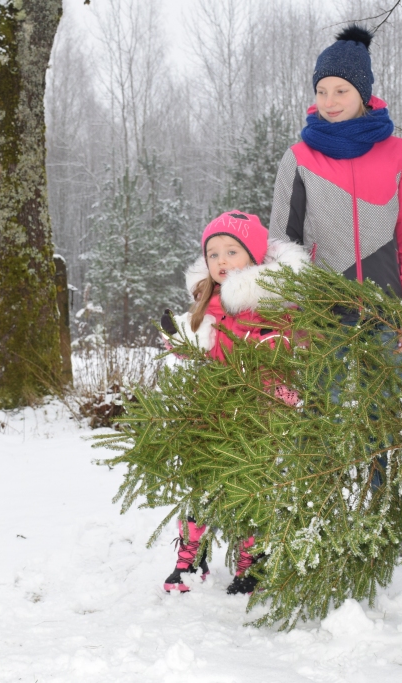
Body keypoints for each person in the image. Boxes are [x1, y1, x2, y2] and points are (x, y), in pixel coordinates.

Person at [160, 210, 309, 594]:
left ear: (254, 257)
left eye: (231, 251)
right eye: (213, 254)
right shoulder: (207, 302)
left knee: (251, 484)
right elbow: (201, 346)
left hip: (260, 410)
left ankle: (250, 562)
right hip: (212, 408)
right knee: (201, 482)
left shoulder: (272, 300)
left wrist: (280, 387)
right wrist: (179, 339)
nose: (222, 261)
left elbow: (289, 348)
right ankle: (190, 558)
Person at [268, 24, 402, 331]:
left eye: (341, 91)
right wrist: (289, 317)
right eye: (322, 92)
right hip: (320, 319)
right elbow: (281, 243)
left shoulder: (399, 154)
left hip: (387, 317)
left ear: (362, 93)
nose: (329, 102)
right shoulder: (299, 158)